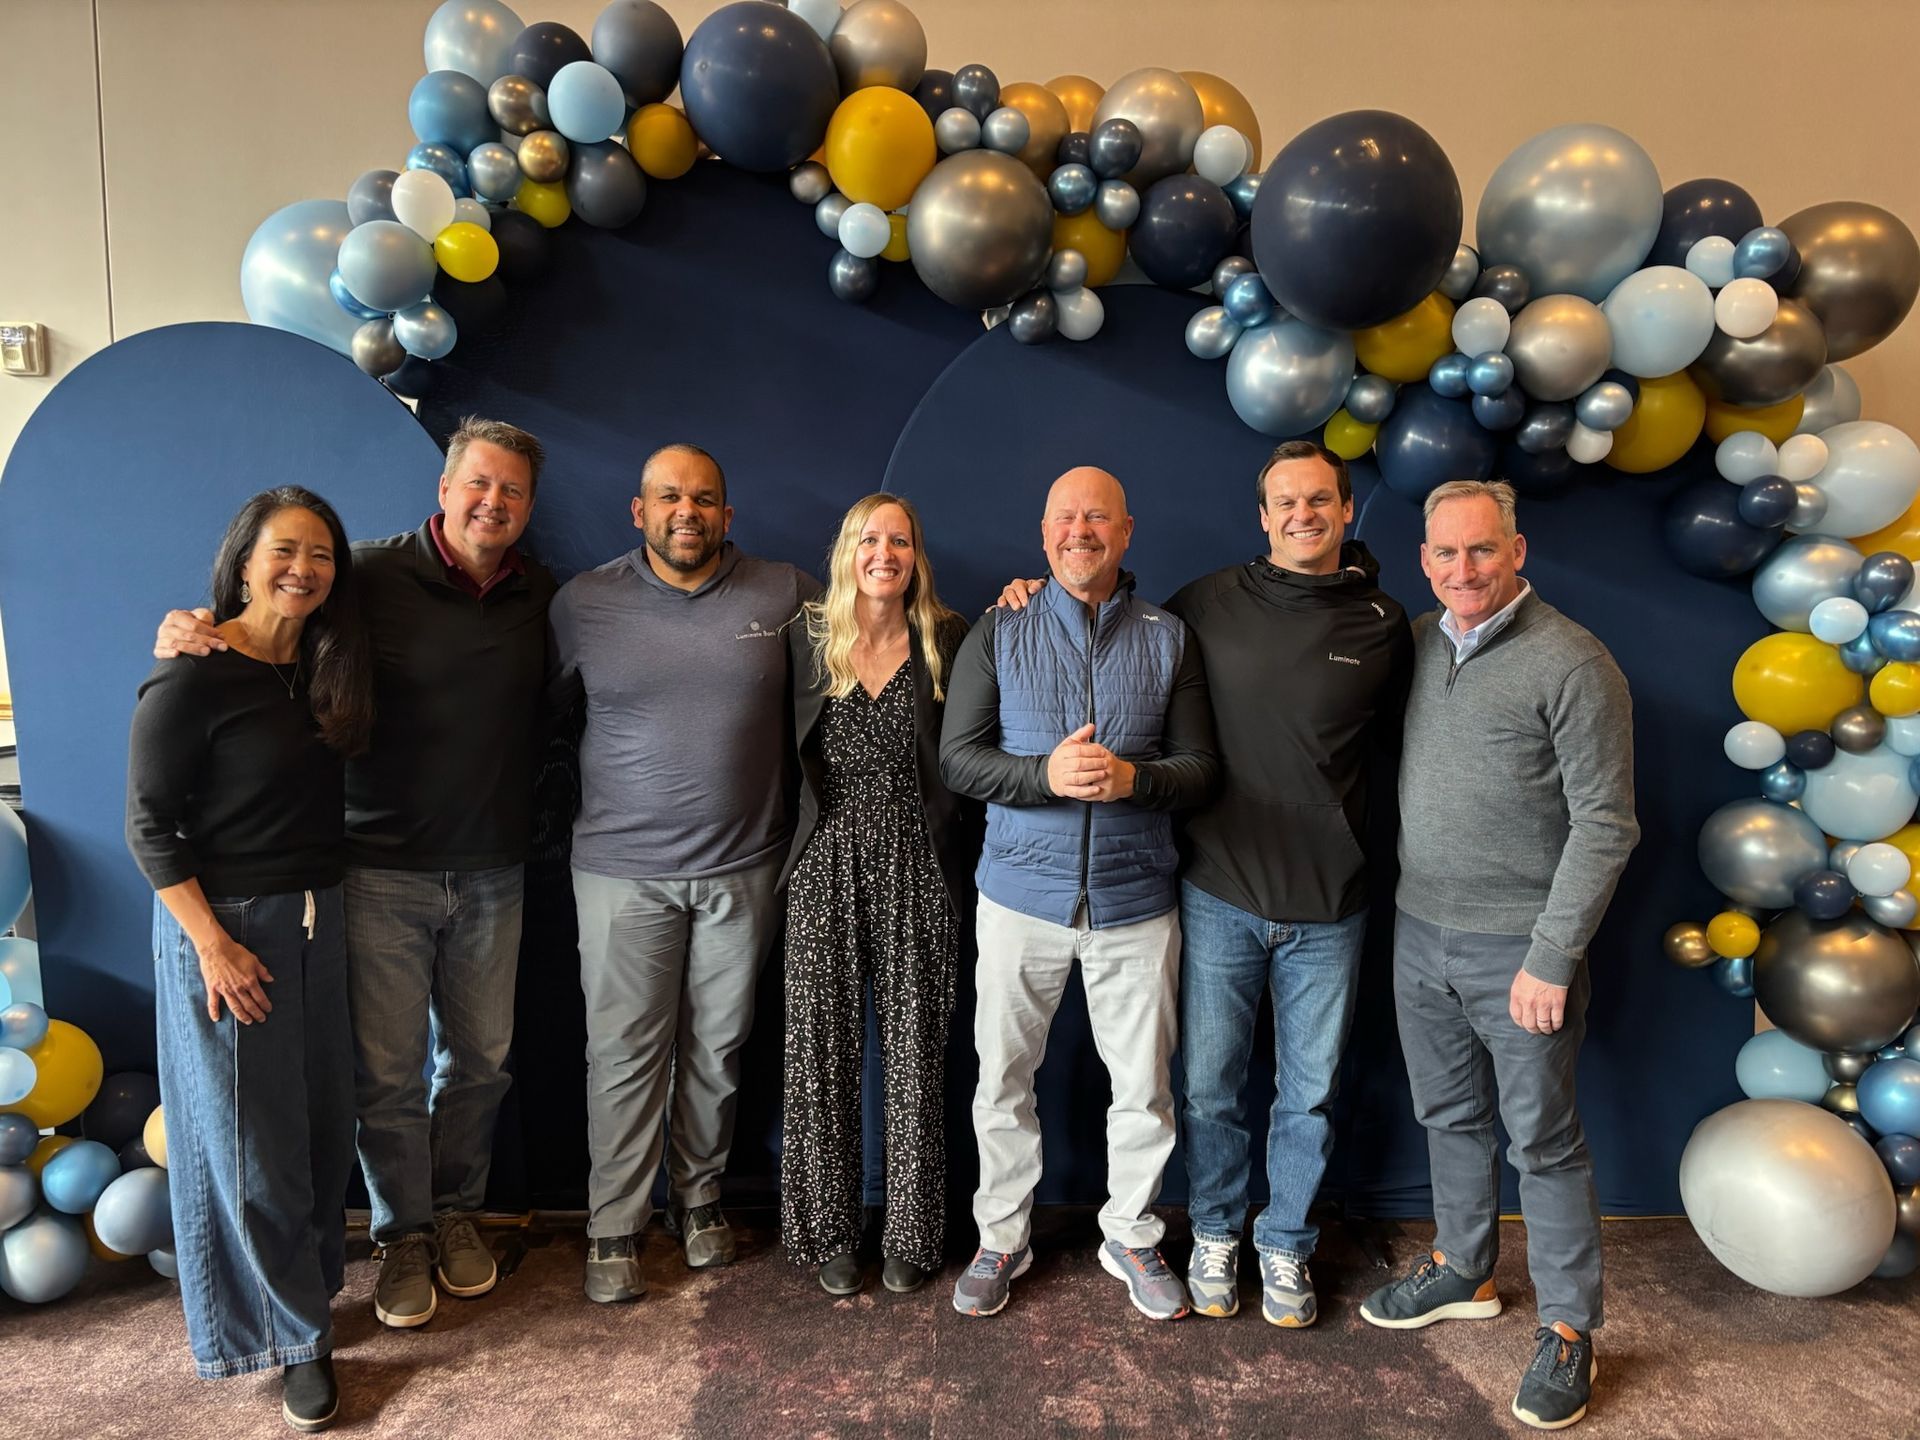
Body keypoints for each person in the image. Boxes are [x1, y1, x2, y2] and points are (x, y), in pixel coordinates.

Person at [155, 417, 556, 1332]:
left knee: (481, 1067)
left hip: (495, 868)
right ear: (446, 489)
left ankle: (457, 1215)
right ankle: (401, 1233)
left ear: (530, 508)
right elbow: (271, 617)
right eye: (479, 485)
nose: (493, 503)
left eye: (513, 491)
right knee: (386, 1075)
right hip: (377, 871)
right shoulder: (363, 575)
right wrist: (188, 624)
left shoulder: (541, 592)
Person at [1359, 480, 1637, 1432]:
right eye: (1444, 554)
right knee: (1447, 1114)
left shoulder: (1574, 662)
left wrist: (1553, 957)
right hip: (1418, 932)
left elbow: (1607, 826)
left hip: (1520, 949)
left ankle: (1567, 1329)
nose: (1462, 571)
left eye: (1480, 551)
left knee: (1545, 1144)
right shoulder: (1425, 642)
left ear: (1517, 551)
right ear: (1423, 560)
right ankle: (1464, 1268)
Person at [939, 466, 1217, 1321]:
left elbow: (1201, 771)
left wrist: (1133, 777)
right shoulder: (1000, 627)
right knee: (1002, 1080)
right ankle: (1003, 1237)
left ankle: (1131, 1234)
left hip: (1138, 901)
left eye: (1098, 517)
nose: (1080, 531)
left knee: (1143, 1085)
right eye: (1067, 516)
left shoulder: (1170, 637)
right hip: (1020, 896)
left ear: (1127, 531)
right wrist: (1045, 774)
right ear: (1044, 529)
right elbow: (960, 759)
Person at [546, 443, 821, 1303]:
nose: (687, 513)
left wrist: (1019, 597)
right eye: (669, 498)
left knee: (717, 1049)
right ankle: (614, 1221)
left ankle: (698, 1201)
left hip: (745, 867)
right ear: (640, 511)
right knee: (624, 1053)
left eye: (704, 499)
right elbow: (542, 723)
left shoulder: (785, 594)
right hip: (621, 871)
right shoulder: (582, 603)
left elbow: (884, 623)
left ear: (727, 516)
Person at [127, 487, 374, 1433]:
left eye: (320, 555)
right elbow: (148, 829)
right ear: (242, 560)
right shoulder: (190, 672)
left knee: (316, 1129)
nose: (302, 569)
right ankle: (285, 1345)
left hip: (316, 918)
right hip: (226, 929)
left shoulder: (314, 668)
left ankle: (306, 1304)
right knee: (251, 1150)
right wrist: (213, 945)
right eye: (284, 551)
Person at [1164, 441, 1413, 1328]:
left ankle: (1286, 1246)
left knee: (1307, 1093)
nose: (1302, 514)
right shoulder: (1204, 602)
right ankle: (1218, 1232)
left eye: (1320, 500)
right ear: (1263, 517)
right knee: (1209, 1087)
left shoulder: (1384, 624)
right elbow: (1109, 639)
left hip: (1332, 904)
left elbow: (1408, 752)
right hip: (1219, 890)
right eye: (1285, 502)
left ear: (1347, 513)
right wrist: (1026, 597)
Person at [779, 493, 978, 1297]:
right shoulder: (807, 638)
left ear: (916, 556)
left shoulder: (948, 638)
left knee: (913, 1057)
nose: (884, 552)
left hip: (918, 866)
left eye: (900, 540)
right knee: (819, 1057)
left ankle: (911, 1233)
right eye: (871, 538)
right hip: (824, 863)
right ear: (848, 550)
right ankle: (830, 1232)